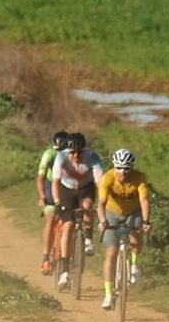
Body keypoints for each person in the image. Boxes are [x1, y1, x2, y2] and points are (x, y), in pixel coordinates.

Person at [97, 148, 151, 310]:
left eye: (126, 168)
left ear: (132, 167)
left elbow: (144, 201)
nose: (122, 172)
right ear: (114, 166)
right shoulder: (107, 178)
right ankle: (108, 294)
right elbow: (101, 203)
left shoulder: (139, 178)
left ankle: (134, 265)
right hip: (111, 213)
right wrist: (102, 221)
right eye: (119, 168)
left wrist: (146, 221)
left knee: (136, 233)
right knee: (111, 252)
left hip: (133, 212)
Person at [53, 133, 106, 289]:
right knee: (68, 226)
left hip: (85, 188)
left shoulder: (92, 157)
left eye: (79, 153)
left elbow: (100, 183)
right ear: (67, 151)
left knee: (88, 206)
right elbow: (55, 182)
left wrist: (103, 202)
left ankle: (88, 238)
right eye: (72, 153)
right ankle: (64, 271)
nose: (76, 156)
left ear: (84, 150)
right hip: (66, 189)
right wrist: (57, 202)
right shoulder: (61, 157)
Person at [37, 131, 71, 273]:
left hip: (68, 186)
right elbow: (40, 178)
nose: (59, 153)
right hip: (51, 185)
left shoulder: (74, 155)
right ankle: (46, 258)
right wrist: (42, 196)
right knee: (50, 218)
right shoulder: (49, 154)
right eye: (57, 150)